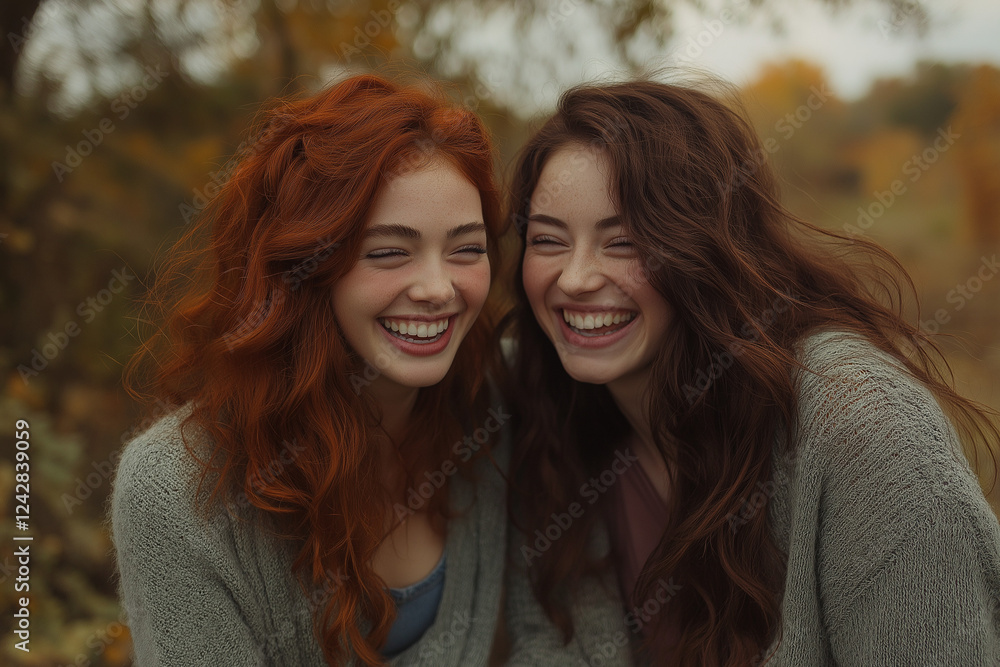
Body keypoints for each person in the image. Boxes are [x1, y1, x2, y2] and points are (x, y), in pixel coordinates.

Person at [501, 77, 1000, 666]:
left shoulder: (865, 430)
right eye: (548, 240)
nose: (576, 278)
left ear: (707, 247)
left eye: (626, 242)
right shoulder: (539, 405)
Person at [111, 73, 511, 666]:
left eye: (466, 248)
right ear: (306, 265)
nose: (437, 288)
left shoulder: (501, 410)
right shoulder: (173, 491)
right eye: (387, 252)